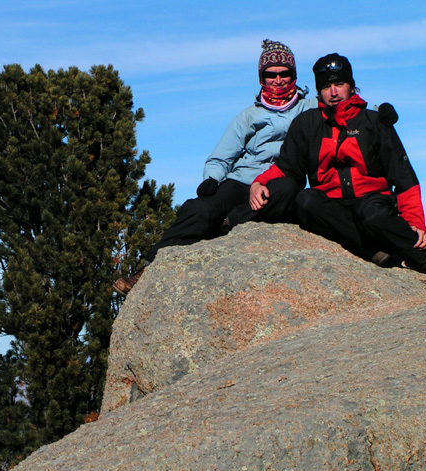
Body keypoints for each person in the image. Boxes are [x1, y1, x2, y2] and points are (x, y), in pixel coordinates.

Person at [113, 40, 317, 296]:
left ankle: (229, 224)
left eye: (284, 73)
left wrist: (378, 115)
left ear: (294, 75)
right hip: (241, 181)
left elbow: (345, 109)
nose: (278, 80)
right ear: (261, 78)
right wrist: (211, 179)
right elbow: (221, 157)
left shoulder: (310, 108)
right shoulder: (249, 116)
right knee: (199, 209)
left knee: (286, 192)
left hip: (279, 181)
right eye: (270, 74)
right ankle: (148, 269)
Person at [250, 53, 426, 286]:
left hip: (372, 202)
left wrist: (415, 221)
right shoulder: (306, 124)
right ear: (319, 91)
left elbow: (403, 177)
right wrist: (259, 183)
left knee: (373, 215)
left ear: (351, 86)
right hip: (332, 208)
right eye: (327, 86)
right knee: (306, 201)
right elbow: (287, 168)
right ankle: (372, 250)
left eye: (339, 84)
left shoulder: (374, 122)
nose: (333, 92)